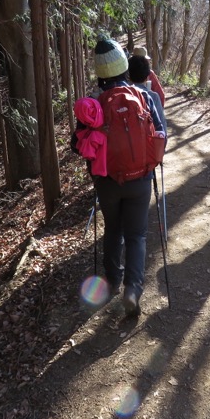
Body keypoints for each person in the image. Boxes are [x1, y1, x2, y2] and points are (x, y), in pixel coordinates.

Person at [72, 38, 165, 317]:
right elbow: (160, 135)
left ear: (99, 72)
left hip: (107, 180)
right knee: (137, 235)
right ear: (124, 65)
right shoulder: (145, 96)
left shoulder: (94, 104)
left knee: (114, 229)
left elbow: (78, 145)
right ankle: (133, 289)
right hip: (140, 179)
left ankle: (112, 279)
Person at [128, 54, 167, 134]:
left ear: (128, 76)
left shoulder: (121, 94)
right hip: (147, 144)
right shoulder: (153, 97)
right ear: (147, 77)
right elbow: (162, 132)